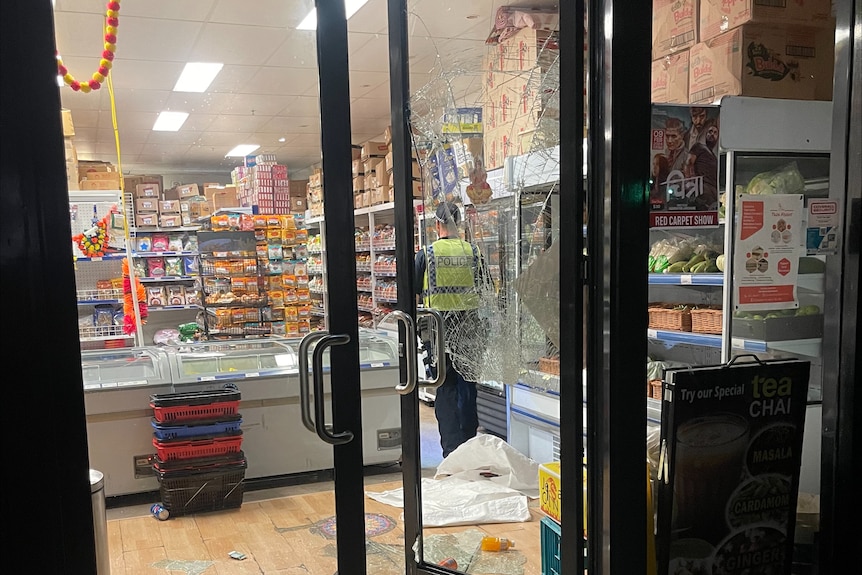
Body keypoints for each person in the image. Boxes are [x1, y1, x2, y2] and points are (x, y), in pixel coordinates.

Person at [414, 201, 490, 458]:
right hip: (469, 330)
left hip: (437, 333)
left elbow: (413, 290)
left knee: (445, 389)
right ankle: (469, 444)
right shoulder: (474, 252)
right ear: (459, 223)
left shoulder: (427, 254)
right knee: (468, 386)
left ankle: (451, 450)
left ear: (437, 225)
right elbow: (485, 287)